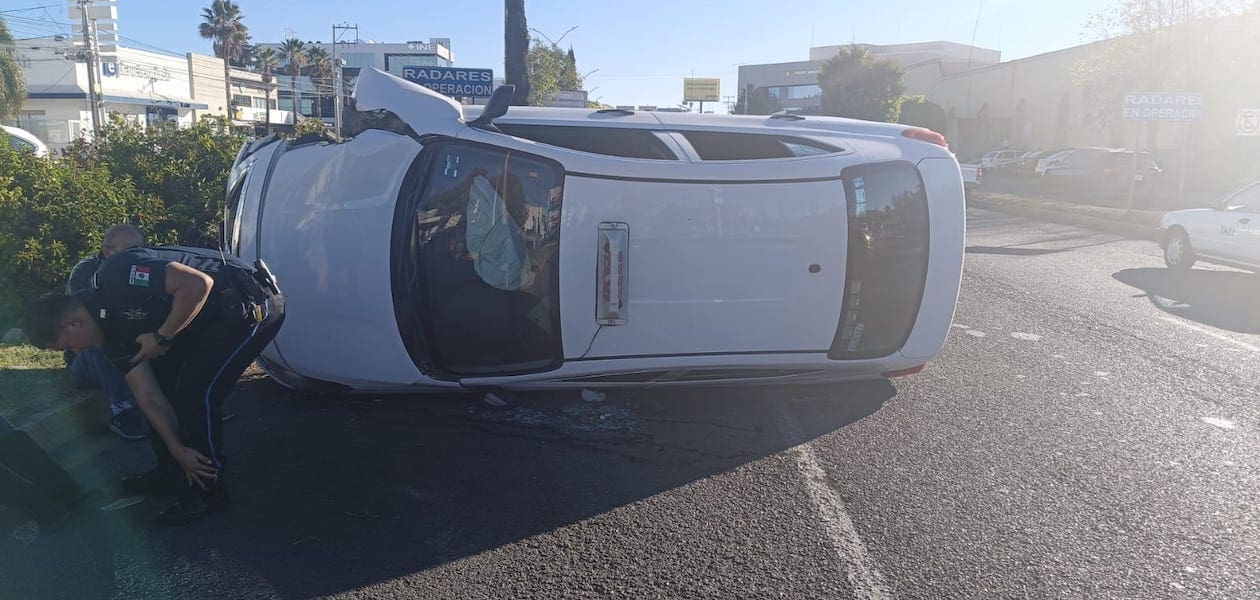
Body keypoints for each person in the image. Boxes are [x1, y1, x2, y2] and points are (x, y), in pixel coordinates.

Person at [25, 237, 284, 525]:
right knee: (163, 383)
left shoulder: (118, 273)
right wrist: (176, 447)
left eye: (67, 346)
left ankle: (207, 492)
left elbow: (198, 285)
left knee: (195, 393)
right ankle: (173, 468)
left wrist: (163, 336)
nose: (75, 353)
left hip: (249, 302)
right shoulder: (110, 338)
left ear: (71, 324)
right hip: (210, 318)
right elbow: (148, 395)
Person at [63, 224, 146, 440]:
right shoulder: (84, 273)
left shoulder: (142, 268)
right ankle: (123, 410)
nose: (137, 256)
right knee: (101, 334)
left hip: (128, 350)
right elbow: (85, 323)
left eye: (140, 250)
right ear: (107, 251)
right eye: (130, 251)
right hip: (86, 361)